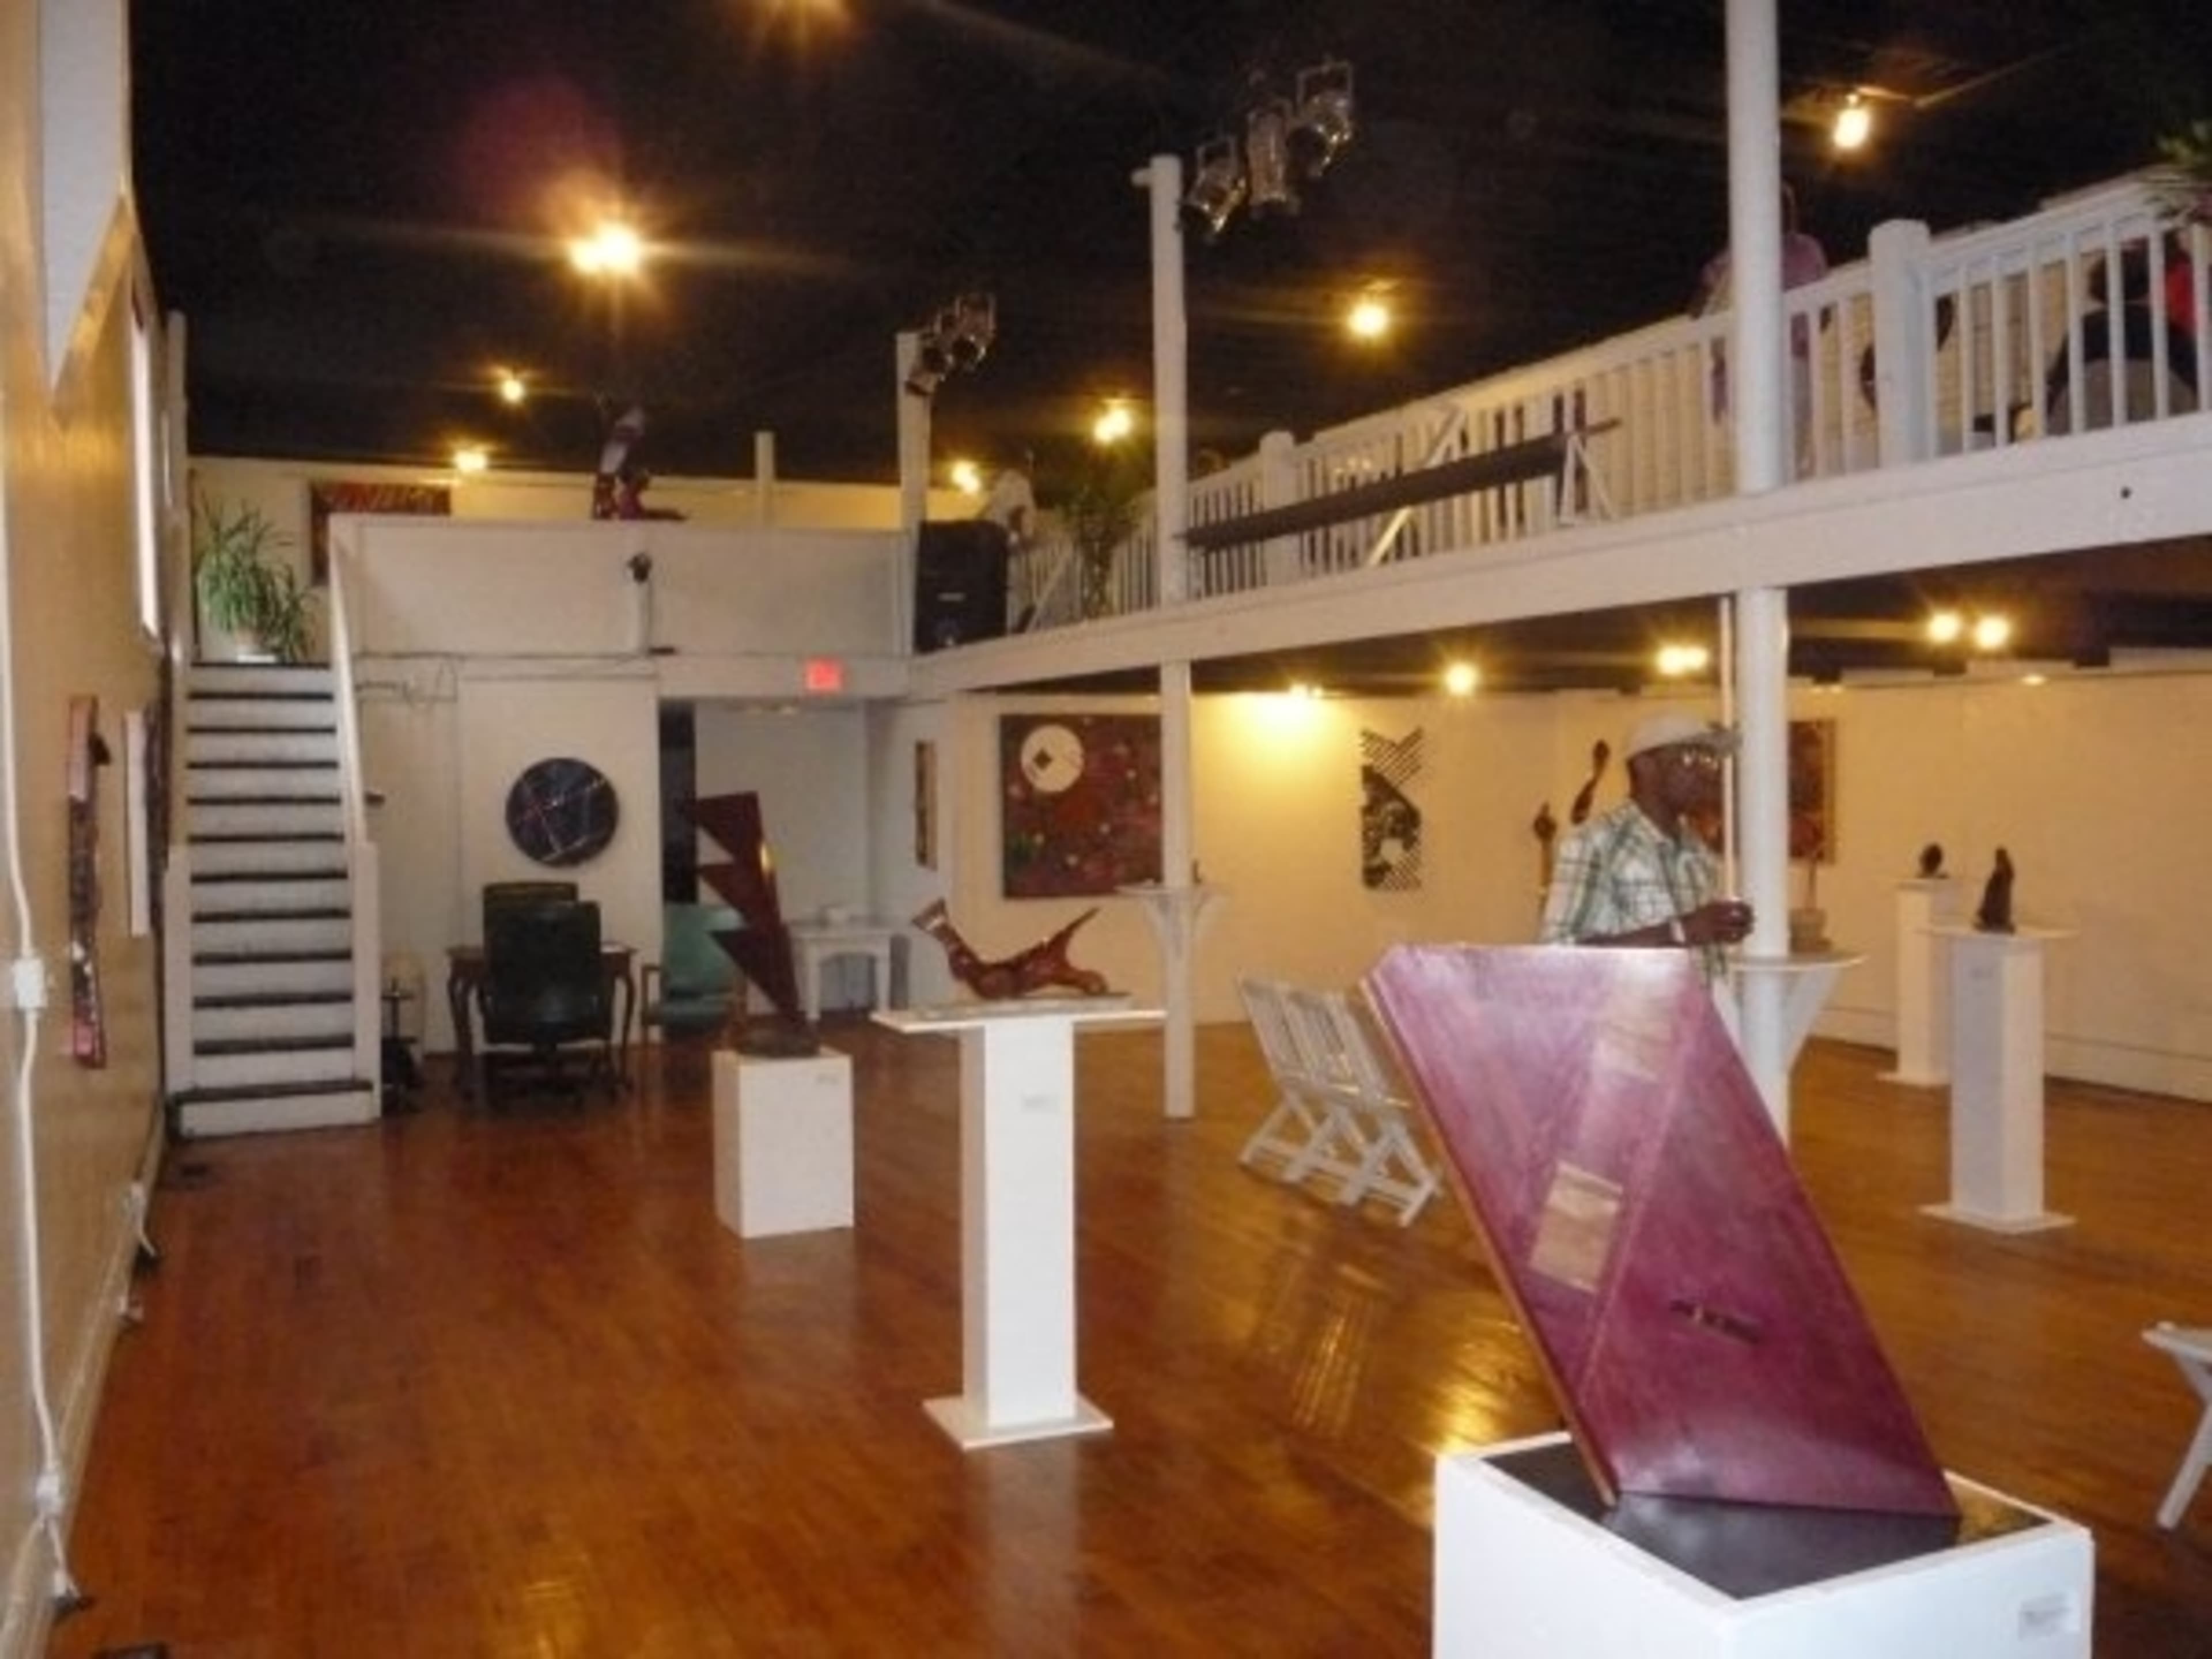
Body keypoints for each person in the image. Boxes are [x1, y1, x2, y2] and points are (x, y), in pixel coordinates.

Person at [1538, 710, 1753, 977]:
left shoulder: (1699, 853)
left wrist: (1720, 929)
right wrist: (1681, 931)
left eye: (1709, 760)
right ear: (1644, 766)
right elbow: (1559, 959)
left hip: (1700, 1005)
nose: (1705, 772)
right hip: (1626, 1006)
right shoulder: (1596, 844)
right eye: (1689, 757)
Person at [1692, 185, 1830, 470]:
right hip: (1760, 366)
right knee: (1776, 457)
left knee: (1769, 456)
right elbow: (1823, 315)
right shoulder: (1800, 250)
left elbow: (1697, 310)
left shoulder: (1740, 255)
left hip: (1766, 364)